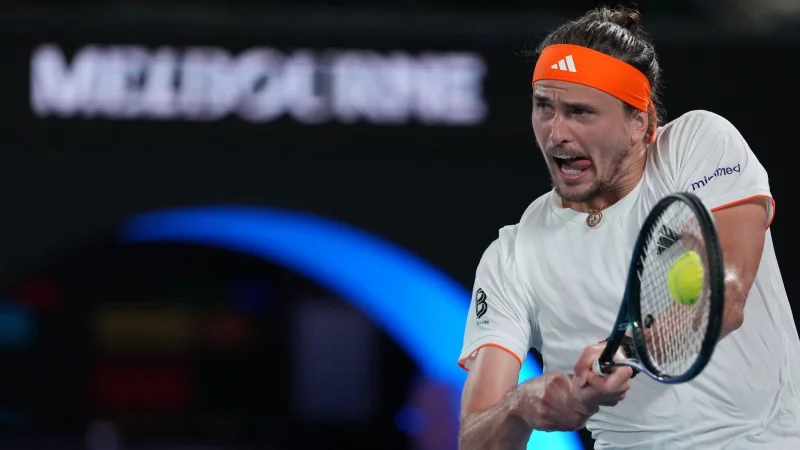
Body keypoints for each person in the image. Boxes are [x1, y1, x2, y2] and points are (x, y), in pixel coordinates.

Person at [457, 5, 800, 450]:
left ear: (642, 122)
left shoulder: (697, 144)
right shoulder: (510, 256)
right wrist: (522, 404)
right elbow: (474, 436)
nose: (555, 133)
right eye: (544, 106)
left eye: (581, 112)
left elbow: (727, 294)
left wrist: (625, 352)